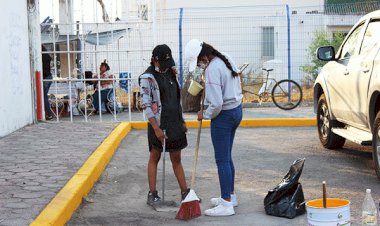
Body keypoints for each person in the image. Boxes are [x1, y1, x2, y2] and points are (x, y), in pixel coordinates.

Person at [184, 39, 243, 216]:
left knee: (221, 160)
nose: (200, 66)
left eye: (199, 62)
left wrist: (205, 114)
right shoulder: (225, 57)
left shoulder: (212, 69)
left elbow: (216, 104)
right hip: (236, 110)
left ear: (203, 56)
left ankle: (226, 204)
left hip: (223, 116)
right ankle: (230, 196)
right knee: (227, 157)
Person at [139, 44, 189, 206]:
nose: (166, 67)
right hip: (158, 124)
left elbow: (175, 99)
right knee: (155, 156)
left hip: (175, 122)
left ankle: (185, 193)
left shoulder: (171, 73)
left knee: (177, 158)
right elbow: (146, 105)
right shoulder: (147, 78)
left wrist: (182, 121)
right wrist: (156, 129)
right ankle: (152, 194)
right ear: (155, 60)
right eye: (163, 63)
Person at [42, 45, 54, 120]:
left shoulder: (42, 56)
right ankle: (47, 113)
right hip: (49, 77)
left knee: (43, 96)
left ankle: (49, 113)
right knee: (44, 95)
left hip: (45, 77)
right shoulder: (46, 56)